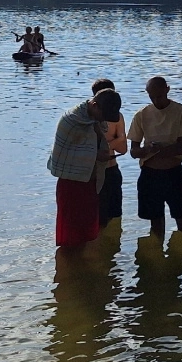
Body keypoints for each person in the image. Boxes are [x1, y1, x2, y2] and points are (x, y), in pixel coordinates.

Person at [48, 88, 123, 248]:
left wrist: (99, 156)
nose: (105, 120)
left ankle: (83, 266)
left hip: (91, 183)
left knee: (88, 234)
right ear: (95, 105)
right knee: (70, 238)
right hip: (71, 183)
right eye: (104, 115)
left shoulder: (95, 121)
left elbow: (91, 146)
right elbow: (63, 154)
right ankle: (68, 267)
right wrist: (97, 157)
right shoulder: (71, 120)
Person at [128, 76, 182, 238]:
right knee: (156, 226)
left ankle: (181, 256)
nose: (156, 100)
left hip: (173, 173)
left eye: (159, 96)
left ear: (167, 90)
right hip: (149, 175)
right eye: (152, 97)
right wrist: (148, 150)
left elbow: (181, 148)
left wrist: (157, 151)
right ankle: (156, 257)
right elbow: (133, 151)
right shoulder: (141, 115)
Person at [91, 78, 128, 228]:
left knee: (114, 217)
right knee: (98, 218)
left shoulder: (117, 117)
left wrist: (105, 145)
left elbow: (123, 148)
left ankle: (111, 249)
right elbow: (120, 141)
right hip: (94, 173)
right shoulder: (89, 118)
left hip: (112, 170)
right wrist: (114, 140)